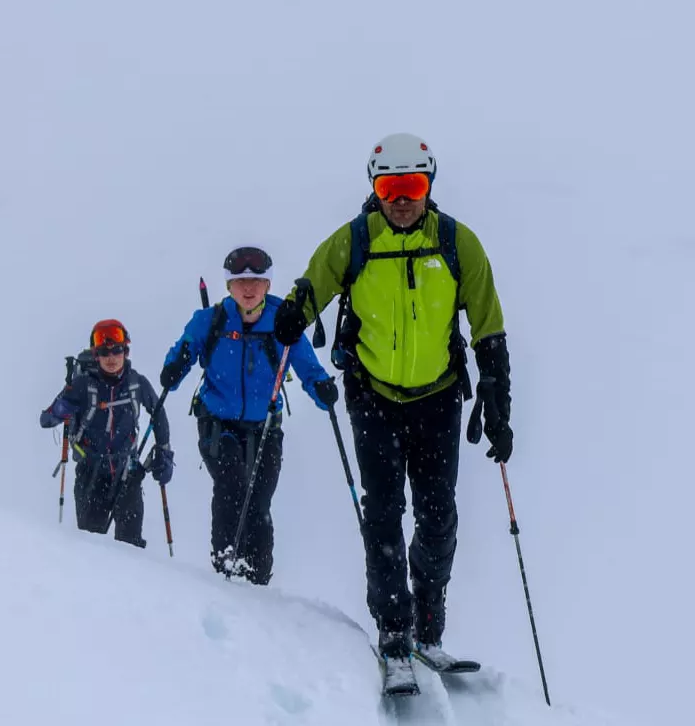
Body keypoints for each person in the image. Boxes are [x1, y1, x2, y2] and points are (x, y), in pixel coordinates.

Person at [273, 133, 511, 686]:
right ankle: (394, 632)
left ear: (429, 184)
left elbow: (489, 326)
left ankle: (429, 629)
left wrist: (498, 402)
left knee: (437, 516)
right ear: (374, 188)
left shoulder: (457, 244)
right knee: (382, 513)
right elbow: (314, 284)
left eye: (413, 186)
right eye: (390, 187)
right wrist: (293, 312)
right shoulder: (355, 241)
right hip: (373, 394)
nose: (401, 199)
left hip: (439, 397)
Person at [158, 246, 336, 584]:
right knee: (231, 485)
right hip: (216, 421)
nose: (249, 288)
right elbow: (181, 354)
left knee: (259, 499)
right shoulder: (210, 321)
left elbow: (307, 366)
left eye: (256, 281)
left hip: (266, 425)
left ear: (268, 284)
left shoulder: (283, 321)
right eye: (240, 281)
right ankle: (226, 562)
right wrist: (174, 367)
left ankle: (257, 577)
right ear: (229, 286)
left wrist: (322, 389)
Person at [40, 318, 174, 548]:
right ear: (96, 355)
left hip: (128, 474)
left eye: (117, 351)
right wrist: (62, 407)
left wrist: (164, 452)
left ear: (126, 351)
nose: (111, 358)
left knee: (131, 545)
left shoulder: (137, 384)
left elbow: (158, 415)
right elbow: (46, 420)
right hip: (91, 475)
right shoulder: (82, 385)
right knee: (93, 547)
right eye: (104, 352)